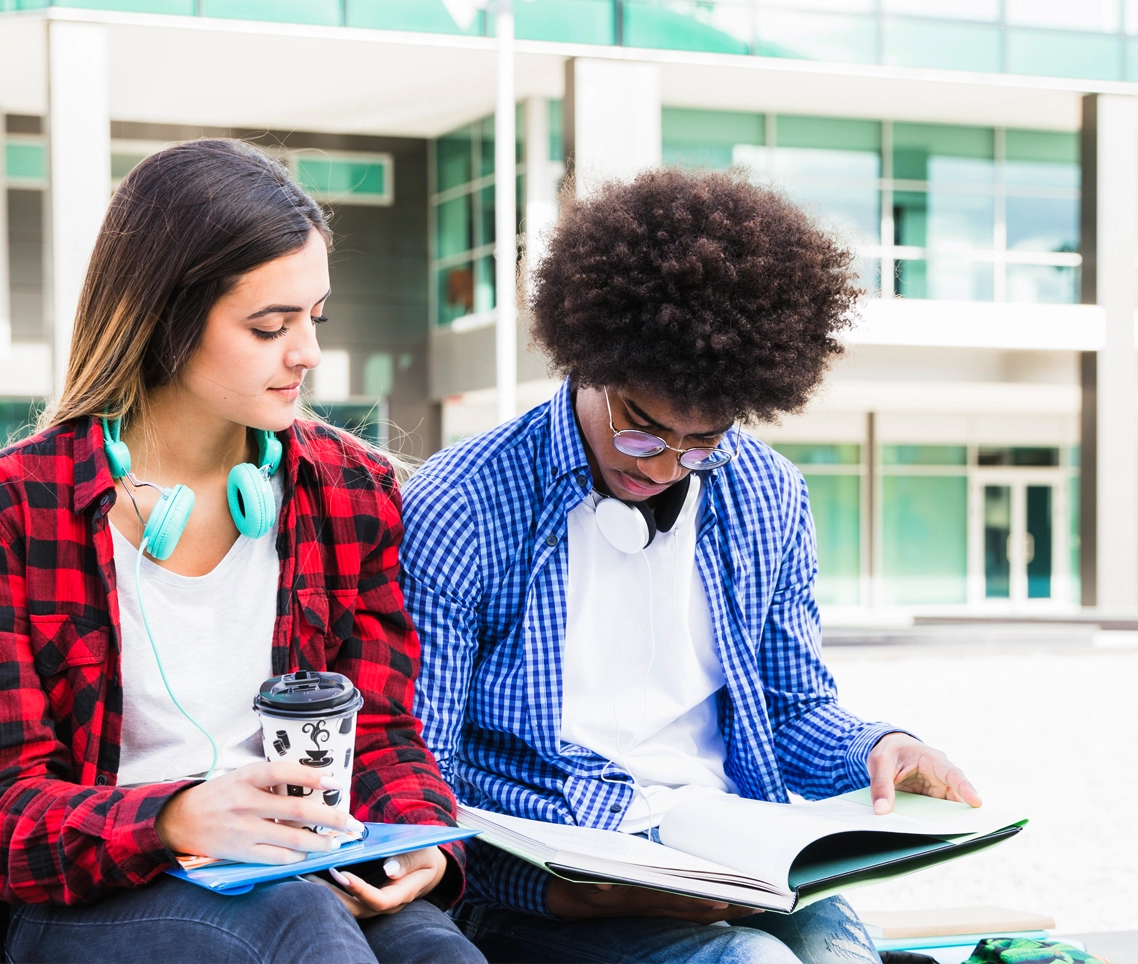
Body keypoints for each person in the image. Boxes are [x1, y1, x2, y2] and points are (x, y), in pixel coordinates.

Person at [401, 168, 982, 964]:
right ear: (591, 360)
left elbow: (792, 708)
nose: (666, 466)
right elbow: (418, 767)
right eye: (641, 428)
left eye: (702, 440)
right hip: (550, 889)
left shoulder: (767, 494)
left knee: (835, 944)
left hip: (728, 856)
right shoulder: (464, 502)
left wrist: (881, 747)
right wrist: (563, 892)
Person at [0, 140, 483, 964]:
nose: (306, 352)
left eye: (315, 318)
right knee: (303, 926)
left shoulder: (350, 489)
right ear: (166, 316)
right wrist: (175, 816)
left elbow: (380, 732)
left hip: (305, 865)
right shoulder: (9, 508)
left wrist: (423, 839)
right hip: (95, 897)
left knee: (433, 950)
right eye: (270, 326)